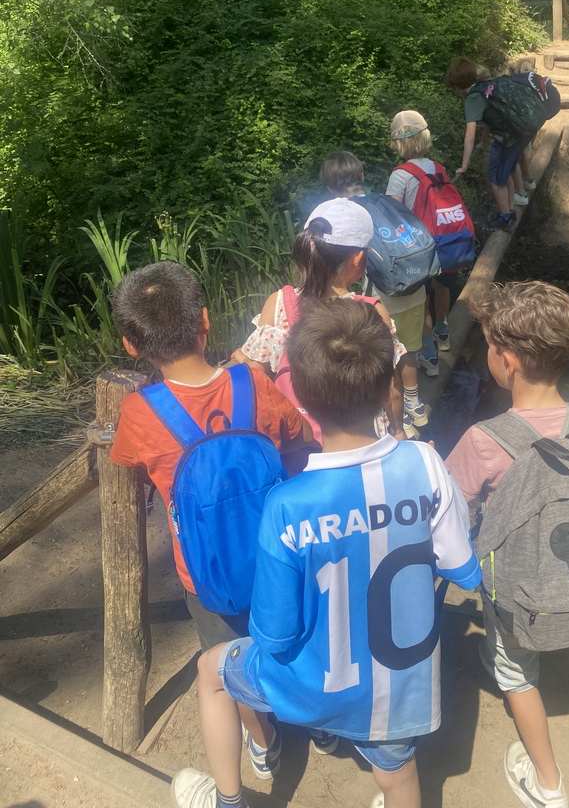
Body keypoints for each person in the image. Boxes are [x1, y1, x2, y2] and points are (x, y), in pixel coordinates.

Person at [170, 298, 482, 808]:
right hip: (399, 690)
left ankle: (228, 801)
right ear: (388, 391)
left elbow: (274, 632)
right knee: (399, 776)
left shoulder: (287, 505)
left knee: (211, 673)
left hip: (313, 686)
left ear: (304, 406)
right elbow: (460, 569)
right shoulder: (425, 463)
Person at [446, 281, 569, 808]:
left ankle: (547, 783)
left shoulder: (485, 439)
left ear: (506, 361)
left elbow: (450, 518)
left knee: (514, 673)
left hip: (522, 600)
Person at [110, 261, 313, 650]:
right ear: (205, 321)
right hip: (279, 553)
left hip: (205, 572)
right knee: (291, 646)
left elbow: (126, 460)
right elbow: (299, 435)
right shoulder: (251, 382)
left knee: (229, 662)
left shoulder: (138, 411)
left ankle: (242, 710)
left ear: (131, 346)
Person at [233, 197, 407, 442]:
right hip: (359, 442)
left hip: (297, 441)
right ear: (358, 259)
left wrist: (241, 356)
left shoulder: (279, 303)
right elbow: (391, 391)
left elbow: (255, 375)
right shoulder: (371, 312)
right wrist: (398, 429)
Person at [319, 151, 431, 439]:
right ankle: (415, 404)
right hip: (414, 285)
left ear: (330, 189)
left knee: (386, 358)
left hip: (382, 296)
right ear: (362, 176)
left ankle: (401, 419)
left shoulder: (343, 217)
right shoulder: (384, 202)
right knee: (408, 349)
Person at [388, 110, 462, 357]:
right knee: (443, 286)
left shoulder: (400, 175)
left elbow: (393, 215)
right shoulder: (438, 167)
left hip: (419, 246)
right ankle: (443, 329)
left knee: (422, 299)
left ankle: (429, 352)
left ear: (398, 143)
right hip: (447, 239)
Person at [446, 58, 533, 233]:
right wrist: (484, 142)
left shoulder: (473, 98)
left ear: (457, 86)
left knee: (494, 178)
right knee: (505, 172)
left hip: (506, 138)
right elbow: (490, 119)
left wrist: (464, 165)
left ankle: (505, 218)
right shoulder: (488, 86)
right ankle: (509, 209)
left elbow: (470, 134)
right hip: (518, 132)